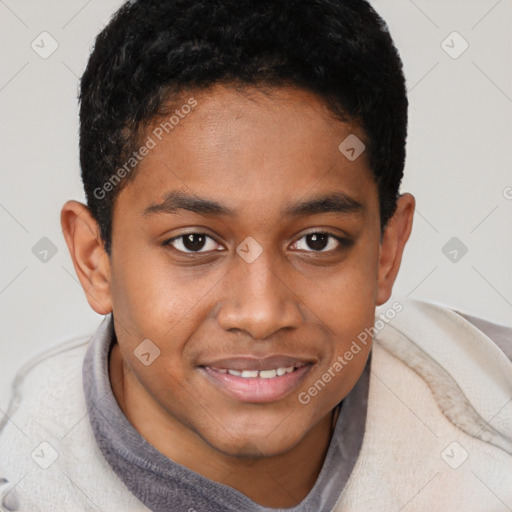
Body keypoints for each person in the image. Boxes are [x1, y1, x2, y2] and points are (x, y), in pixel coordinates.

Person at [1, 0, 511, 510]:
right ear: (95, 260)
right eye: (194, 242)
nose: (262, 314)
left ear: (387, 250)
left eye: (317, 241)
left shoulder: (493, 425)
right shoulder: (23, 483)